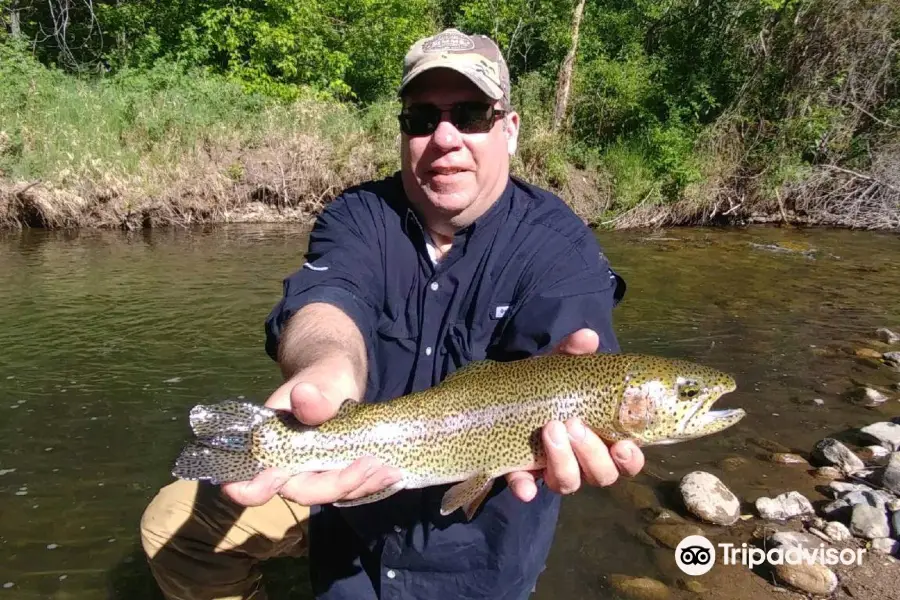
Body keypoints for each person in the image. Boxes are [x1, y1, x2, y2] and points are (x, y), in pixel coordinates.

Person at [140, 28, 645, 600]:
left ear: (509, 128)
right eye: (423, 117)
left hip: (475, 547)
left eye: (472, 114)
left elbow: (582, 358)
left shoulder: (560, 246)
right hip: (338, 492)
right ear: (404, 130)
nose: (445, 137)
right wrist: (323, 371)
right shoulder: (360, 216)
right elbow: (329, 306)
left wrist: (578, 422)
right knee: (172, 528)